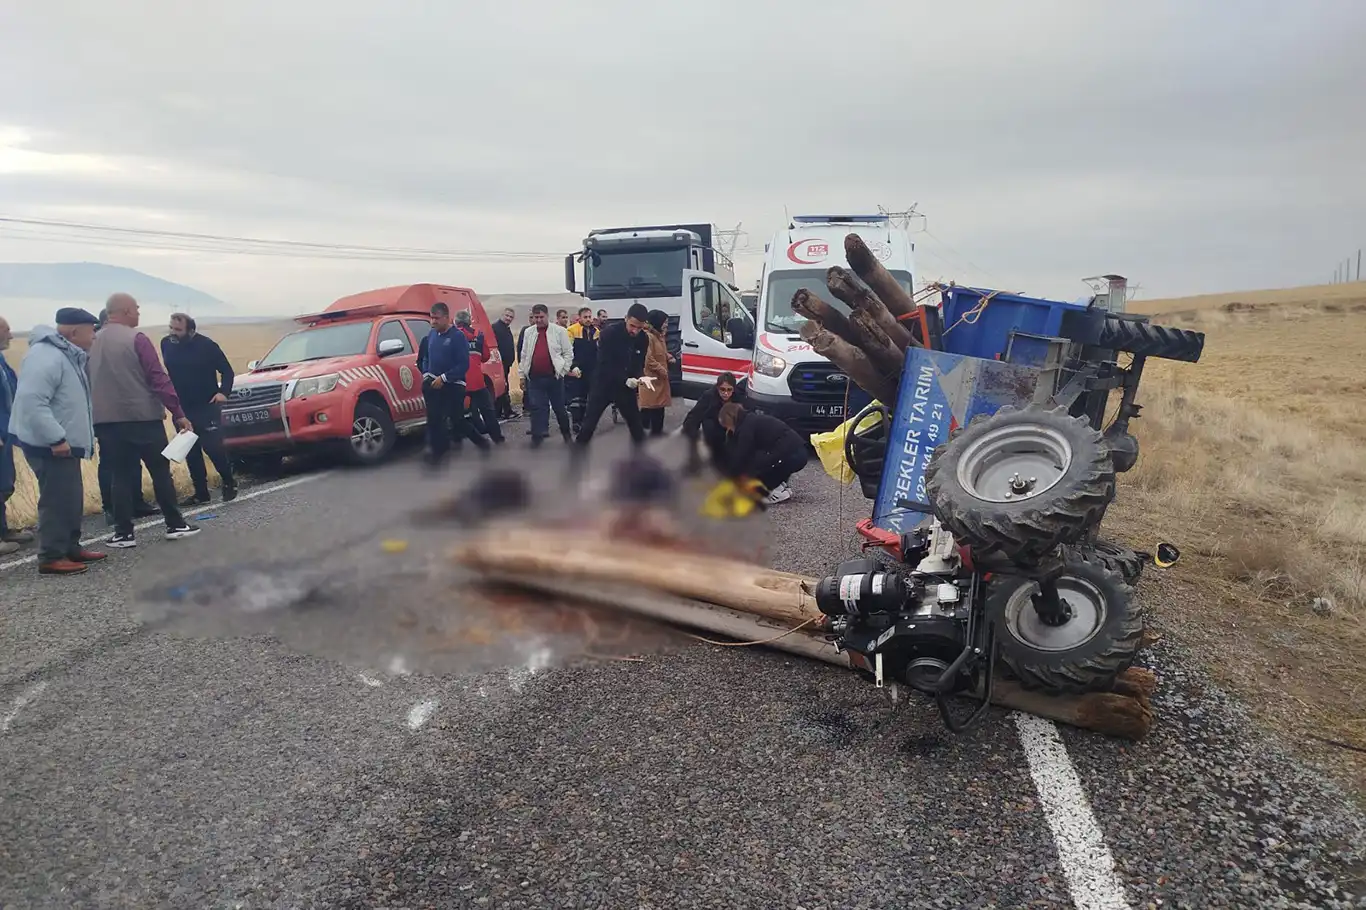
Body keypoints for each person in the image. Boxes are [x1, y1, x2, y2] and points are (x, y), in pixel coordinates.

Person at [90, 293, 201, 548]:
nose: (139, 313)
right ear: (127, 311)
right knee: (159, 471)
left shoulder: (91, 341)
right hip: (142, 417)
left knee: (119, 475)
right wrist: (178, 411)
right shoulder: (136, 338)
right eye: (137, 309)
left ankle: (123, 532)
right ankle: (175, 523)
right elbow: (157, 377)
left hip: (105, 420)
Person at [7, 308, 109, 574]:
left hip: (63, 444)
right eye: (91, 330)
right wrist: (56, 437)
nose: (95, 336)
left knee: (70, 497)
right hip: (50, 445)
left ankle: (70, 546)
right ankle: (51, 556)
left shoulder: (65, 354)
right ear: (74, 331)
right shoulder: (46, 357)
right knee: (56, 500)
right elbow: (32, 402)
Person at [161, 312, 237, 505]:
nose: (172, 333)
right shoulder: (166, 344)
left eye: (178, 330)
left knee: (213, 448)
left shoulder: (207, 346)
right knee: (190, 451)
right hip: (182, 408)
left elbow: (227, 371)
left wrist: (223, 393)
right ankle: (201, 492)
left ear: (191, 331)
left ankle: (229, 481)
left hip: (207, 405)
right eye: (171, 328)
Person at [93, 307, 156, 524]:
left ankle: (135, 502)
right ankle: (112, 508)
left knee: (131, 460)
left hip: (129, 411)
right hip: (108, 414)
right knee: (111, 463)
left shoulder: (122, 342)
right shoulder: (92, 345)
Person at [416, 302, 487, 464]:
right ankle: (438, 453)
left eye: (436, 318)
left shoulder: (457, 337)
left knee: (457, 420)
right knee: (434, 418)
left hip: (454, 385)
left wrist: (444, 378)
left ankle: (482, 443)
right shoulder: (432, 335)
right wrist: (427, 374)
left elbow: (463, 365)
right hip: (433, 383)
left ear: (447, 318)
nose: (433, 322)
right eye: (431, 318)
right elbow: (426, 358)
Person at [575, 302, 650, 448]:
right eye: (632, 326)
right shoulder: (609, 333)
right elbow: (605, 363)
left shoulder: (643, 339)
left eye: (639, 328)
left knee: (636, 425)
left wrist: (638, 377)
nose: (635, 331)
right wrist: (625, 379)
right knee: (589, 425)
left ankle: (642, 460)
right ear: (625, 319)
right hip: (603, 385)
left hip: (624, 389)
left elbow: (638, 363)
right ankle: (576, 455)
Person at [716, 401, 808, 504]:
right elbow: (735, 450)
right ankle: (780, 485)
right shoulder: (748, 421)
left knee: (758, 464)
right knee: (759, 463)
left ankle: (776, 490)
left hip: (794, 454)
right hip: (796, 450)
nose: (728, 429)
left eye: (727, 426)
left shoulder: (746, 428)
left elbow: (742, 455)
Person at [0, 316, 35, 555]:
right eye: (6, 330)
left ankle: (3, 530)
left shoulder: (0, 359)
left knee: (4, 483)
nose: (11, 336)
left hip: (6, 430)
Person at [517, 303, 574, 447]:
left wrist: (563, 369)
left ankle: (567, 435)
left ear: (547, 316)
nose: (538, 320)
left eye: (541, 317)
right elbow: (524, 355)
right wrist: (522, 375)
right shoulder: (529, 332)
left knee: (559, 408)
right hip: (535, 378)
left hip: (554, 377)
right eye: (536, 317)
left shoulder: (559, 331)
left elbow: (568, 353)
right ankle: (537, 438)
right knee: (536, 408)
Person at [454, 309, 504, 445]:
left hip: (458, 380)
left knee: (456, 413)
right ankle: (497, 438)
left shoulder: (451, 336)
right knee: (487, 411)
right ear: (469, 321)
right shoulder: (478, 335)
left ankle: (459, 440)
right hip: (477, 380)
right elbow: (486, 357)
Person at [681, 370, 747, 472]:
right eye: (722, 389)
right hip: (714, 428)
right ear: (717, 388)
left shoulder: (738, 398)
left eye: (729, 390)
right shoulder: (709, 396)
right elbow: (693, 417)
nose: (725, 393)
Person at [637, 309, 672, 437]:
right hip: (651, 379)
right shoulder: (648, 336)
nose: (666, 325)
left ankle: (656, 433)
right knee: (649, 407)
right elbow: (648, 358)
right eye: (665, 322)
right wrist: (662, 370)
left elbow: (659, 351)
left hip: (659, 379)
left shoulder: (658, 336)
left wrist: (667, 356)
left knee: (658, 406)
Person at [565, 306, 599, 435]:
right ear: (580, 318)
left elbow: (598, 350)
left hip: (592, 368)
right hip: (577, 368)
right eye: (585, 317)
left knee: (590, 397)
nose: (588, 319)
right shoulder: (572, 330)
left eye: (590, 317)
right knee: (577, 397)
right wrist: (573, 366)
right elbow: (568, 350)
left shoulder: (596, 331)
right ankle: (576, 422)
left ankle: (586, 422)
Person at [491, 307, 518, 420]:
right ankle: (504, 411)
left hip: (506, 364)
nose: (508, 318)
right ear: (502, 315)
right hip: (499, 364)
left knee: (504, 386)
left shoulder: (506, 328)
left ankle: (502, 411)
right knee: (502, 387)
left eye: (511, 317)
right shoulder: (495, 328)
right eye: (507, 315)